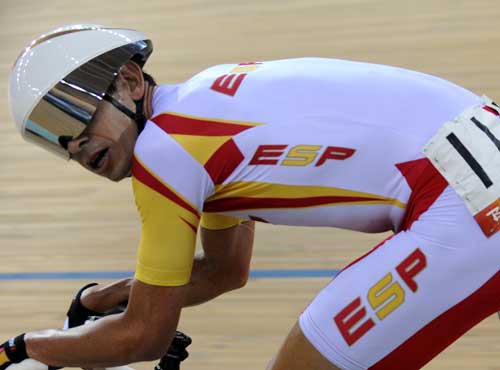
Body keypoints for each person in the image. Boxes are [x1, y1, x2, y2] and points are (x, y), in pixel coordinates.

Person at [5, 23, 500, 370]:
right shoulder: (202, 112)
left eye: (73, 114)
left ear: (131, 82)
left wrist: (25, 347)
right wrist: (104, 298)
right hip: (475, 165)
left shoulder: (164, 151)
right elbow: (224, 272)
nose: (73, 144)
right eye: (52, 137)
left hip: (460, 201)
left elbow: (145, 336)